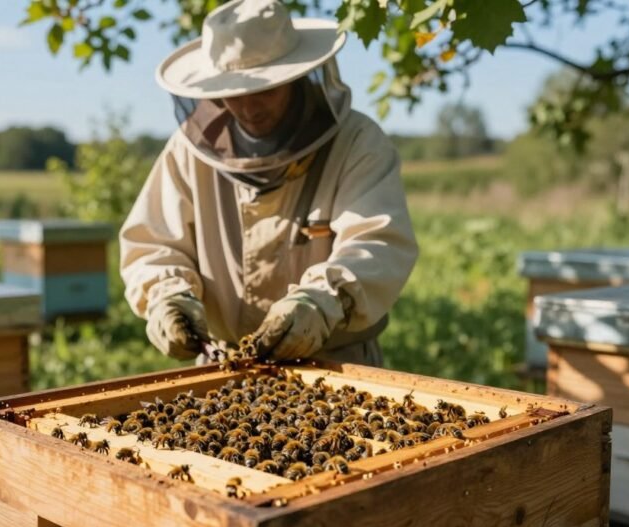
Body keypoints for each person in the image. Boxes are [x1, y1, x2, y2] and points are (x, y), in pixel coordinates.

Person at [120, 0, 418, 366]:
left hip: (336, 362)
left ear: (294, 77)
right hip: (223, 362)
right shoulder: (187, 152)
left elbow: (377, 242)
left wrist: (321, 301)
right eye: (234, 94)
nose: (249, 108)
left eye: (265, 90)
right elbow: (153, 243)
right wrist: (168, 296)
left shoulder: (356, 142)